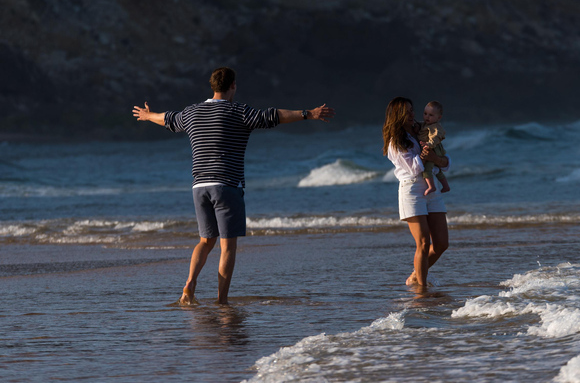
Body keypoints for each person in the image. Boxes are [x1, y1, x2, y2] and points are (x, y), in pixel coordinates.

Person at [132, 67, 335, 305]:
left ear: (212, 86)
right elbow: (274, 116)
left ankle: (189, 284)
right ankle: (222, 301)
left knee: (205, 242)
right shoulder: (239, 111)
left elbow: (167, 118)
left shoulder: (192, 113)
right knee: (228, 246)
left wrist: (148, 115)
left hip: (199, 187)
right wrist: (308, 113)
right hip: (227, 185)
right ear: (233, 86)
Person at [383, 96, 450, 288]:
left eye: (413, 110)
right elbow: (414, 168)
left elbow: (444, 161)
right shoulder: (395, 141)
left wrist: (436, 159)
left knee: (441, 244)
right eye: (408, 111)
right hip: (411, 189)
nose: (413, 114)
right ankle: (422, 290)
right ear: (398, 115)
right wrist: (433, 158)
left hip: (432, 188)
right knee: (422, 242)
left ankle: (415, 276)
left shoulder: (424, 130)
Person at [418, 101, 450, 196]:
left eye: (431, 115)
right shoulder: (426, 124)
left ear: (438, 117)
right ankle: (446, 186)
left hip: (434, 149)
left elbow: (436, 137)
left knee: (427, 169)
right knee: (437, 169)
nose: (427, 117)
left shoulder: (435, 127)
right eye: (425, 114)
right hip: (433, 148)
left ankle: (431, 186)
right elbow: (420, 125)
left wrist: (429, 144)